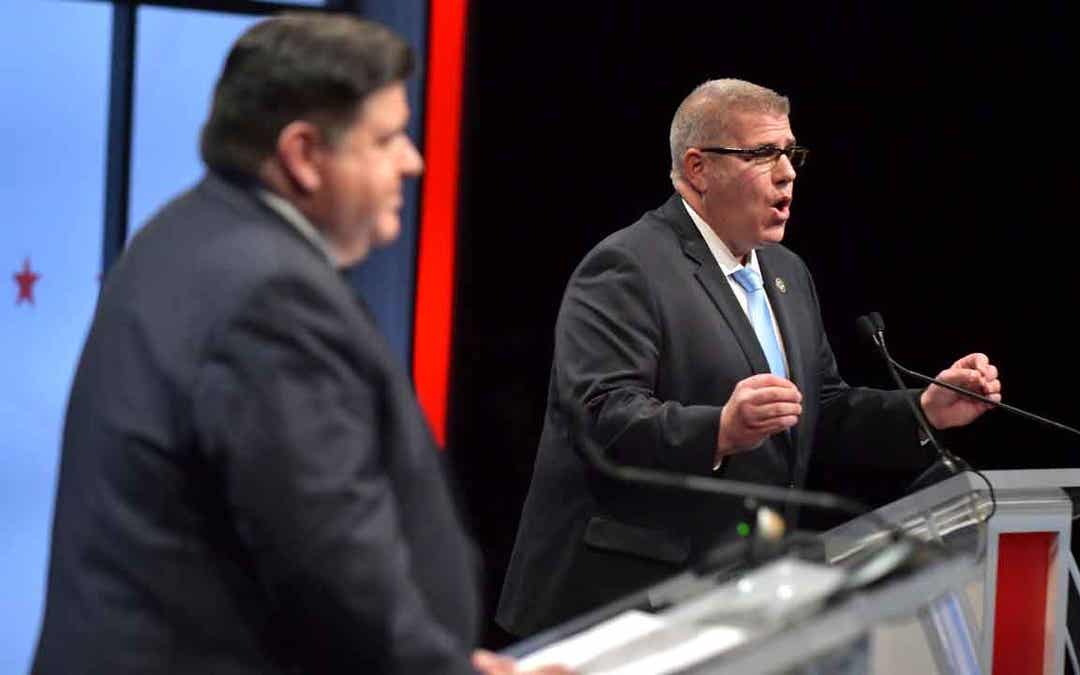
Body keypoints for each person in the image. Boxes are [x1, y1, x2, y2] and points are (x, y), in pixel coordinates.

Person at [32, 14, 558, 675]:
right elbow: (329, 556)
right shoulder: (268, 296)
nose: (413, 161)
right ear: (305, 154)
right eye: (388, 138)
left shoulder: (189, 233)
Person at [496, 78, 1002, 637]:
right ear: (697, 169)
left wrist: (925, 410)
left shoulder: (785, 272)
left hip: (738, 600)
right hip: (623, 605)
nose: (787, 172)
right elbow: (601, 418)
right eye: (763, 154)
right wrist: (720, 429)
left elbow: (820, 412)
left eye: (791, 153)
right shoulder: (627, 267)